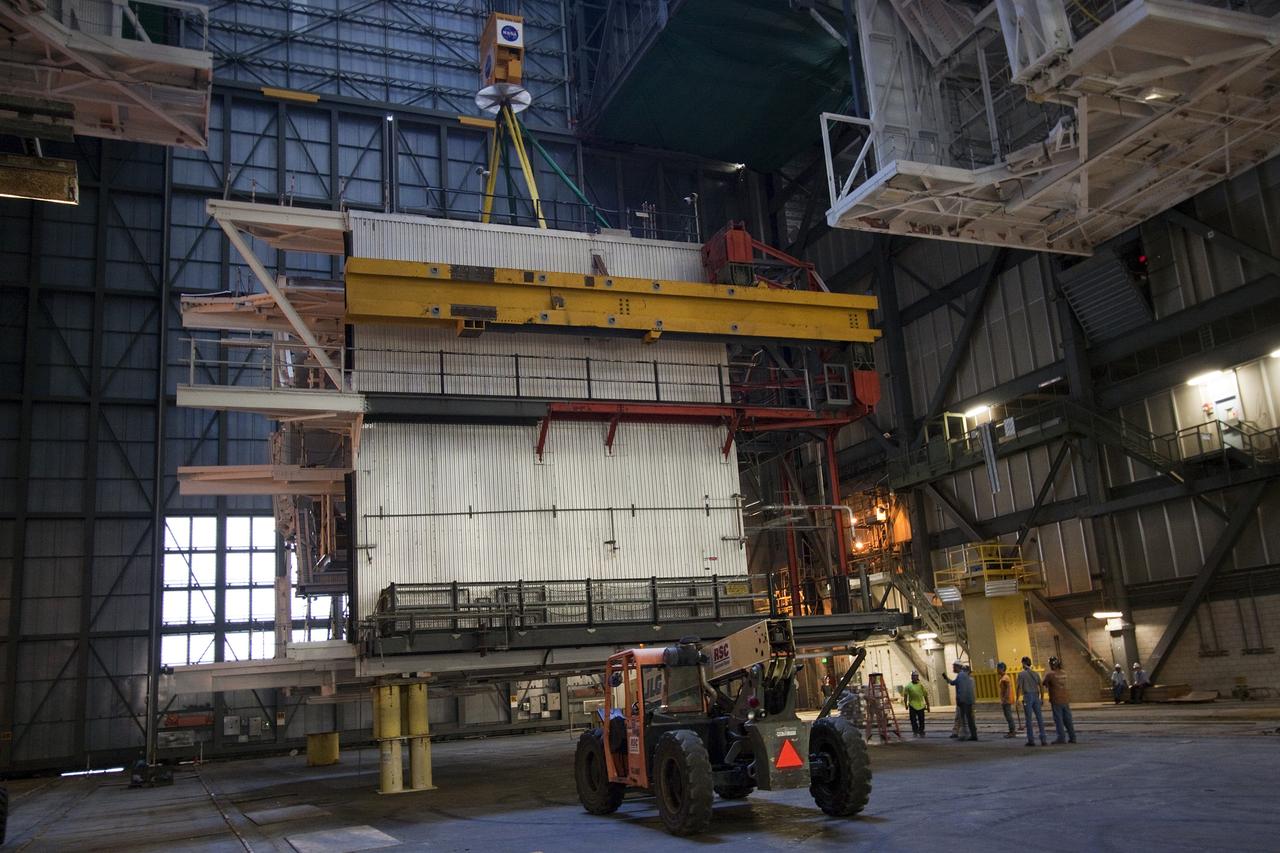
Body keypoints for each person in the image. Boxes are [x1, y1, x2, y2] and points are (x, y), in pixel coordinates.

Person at [1042, 656, 1077, 744]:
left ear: (1051, 664)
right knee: (1068, 719)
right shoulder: (1064, 673)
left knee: (1059, 720)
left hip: (1056, 700)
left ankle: (1061, 738)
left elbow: (1044, 683)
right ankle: (1073, 737)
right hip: (1065, 699)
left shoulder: (1050, 674)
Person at [1016, 656, 1048, 747]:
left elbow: (1019, 688)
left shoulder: (1021, 674)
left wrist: (1017, 699)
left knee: (1028, 719)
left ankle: (1031, 740)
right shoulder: (1036, 674)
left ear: (1023, 663)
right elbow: (1041, 686)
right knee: (1039, 718)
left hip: (1027, 697)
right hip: (1036, 696)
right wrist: (1042, 698)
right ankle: (1043, 739)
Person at [944, 662, 978, 741]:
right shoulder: (964, 675)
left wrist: (960, 700)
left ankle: (964, 735)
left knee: (963, 719)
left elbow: (962, 689)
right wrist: (947, 679)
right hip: (969, 700)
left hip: (964, 701)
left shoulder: (961, 675)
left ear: (957, 667)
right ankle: (973, 735)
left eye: (954, 667)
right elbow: (953, 683)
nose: (953, 668)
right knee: (969, 719)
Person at [903, 671, 930, 737]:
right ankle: (915, 731)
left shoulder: (921, 686)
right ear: (911, 677)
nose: (915, 677)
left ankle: (921, 731)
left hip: (921, 705)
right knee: (913, 720)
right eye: (913, 676)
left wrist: (928, 705)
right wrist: (906, 705)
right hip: (912, 705)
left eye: (916, 676)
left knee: (921, 719)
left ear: (917, 677)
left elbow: (925, 695)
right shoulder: (908, 686)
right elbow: (905, 696)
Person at [997, 662, 1017, 738]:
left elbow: (1008, 689)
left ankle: (1012, 731)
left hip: (1006, 700)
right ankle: (1011, 731)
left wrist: (1005, 698)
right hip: (1005, 699)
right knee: (1007, 715)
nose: (997, 670)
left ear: (1002, 669)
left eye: (998, 668)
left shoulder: (1005, 678)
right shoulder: (1003, 677)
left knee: (1008, 716)